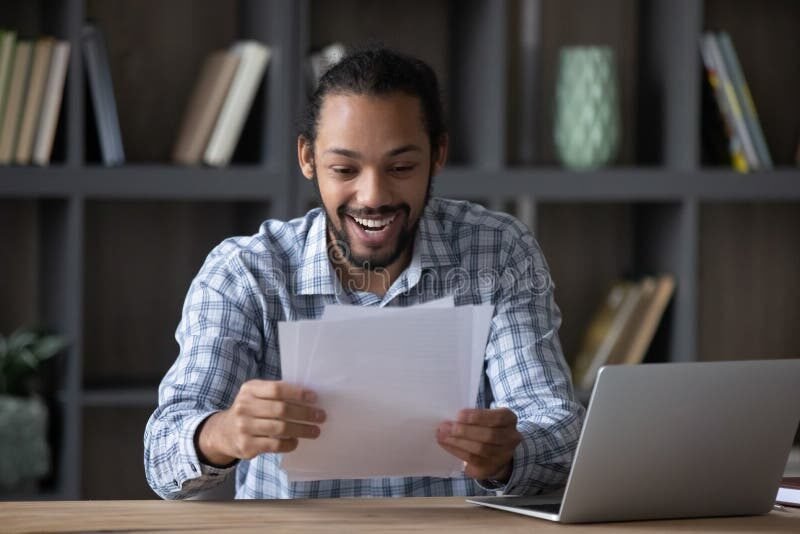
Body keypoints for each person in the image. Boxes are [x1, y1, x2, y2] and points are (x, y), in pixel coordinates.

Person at [144, 47, 584, 499]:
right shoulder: (246, 271)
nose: (372, 196)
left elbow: (559, 430)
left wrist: (510, 454)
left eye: (400, 167)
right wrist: (224, 434)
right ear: (307, 159)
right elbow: (162, 457)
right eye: (344, 169)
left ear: (438, 155)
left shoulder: (498, 252)